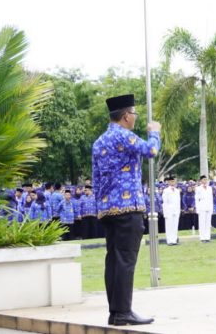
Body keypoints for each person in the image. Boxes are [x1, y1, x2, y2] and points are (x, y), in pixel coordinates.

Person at [91, 94, 159, 326]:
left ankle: (115, 311)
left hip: (108, 210)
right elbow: (151, 151)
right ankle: (123, 312)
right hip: (128, 209)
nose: (136, 118)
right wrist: (155, 132)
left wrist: (100, 208)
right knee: (126, 260)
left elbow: (96, 180)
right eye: (134, 114)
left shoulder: (99, 142)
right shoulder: (124, 136)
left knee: (113, 261)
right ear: (126, 116)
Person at [161, 176, 181, 245]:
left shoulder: (177, 191)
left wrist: (179, 211)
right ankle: (169, 240)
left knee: (175, 226)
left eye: (173, 181)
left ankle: (174, 240)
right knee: (169, 226)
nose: (173, 183)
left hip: (176, 210)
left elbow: (178, 202)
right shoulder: (166, 190)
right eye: (171, 181)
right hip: (169, 210)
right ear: (168, 182)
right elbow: (165, 202)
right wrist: (165, 212)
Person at [195, 175, 214, 242]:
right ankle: (202, 238)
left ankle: (207, 237)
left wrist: (212, 208)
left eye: (206, 179)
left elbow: (211, 198)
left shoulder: (209, 188)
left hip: (208, 206)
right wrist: (197, 209)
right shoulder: (198, 188)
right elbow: (197, 199)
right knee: (202, 222)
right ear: (201, 181)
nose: (205, 181)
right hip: (202, 206)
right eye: (204, 180)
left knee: (208, 223)